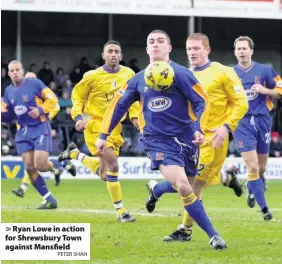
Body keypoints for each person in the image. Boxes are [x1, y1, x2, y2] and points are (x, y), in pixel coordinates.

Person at [96, 29, 227, 250]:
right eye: (151, 42)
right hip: (157, 141)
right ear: (147, 49)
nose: (155, 44)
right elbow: (118, 107)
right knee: (184, 186)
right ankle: (214, 236)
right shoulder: (137, 80)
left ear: (169, 47)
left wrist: (198, 129)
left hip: (186, 139)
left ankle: (156, 190)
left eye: (160, 41)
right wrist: (103, 135)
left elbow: (202, 101)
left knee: (188, 187)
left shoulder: (182, 73)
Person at [145, 33, 248, 242]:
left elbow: (241, 102)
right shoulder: (181, 74)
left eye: (196, 49)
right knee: (184, 182)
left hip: (214, 138)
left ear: (207, 50)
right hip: (188, 139)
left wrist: (226, 127)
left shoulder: (223, 72)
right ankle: (227, 178)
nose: (192, 52)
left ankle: (185, 229)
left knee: (193, 186)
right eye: (189, 49)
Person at [58, 40, 139, 222]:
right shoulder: (92, 76)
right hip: (96, 127)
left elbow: (133, 99)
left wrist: (135, 117)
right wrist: (77, 116)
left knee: (105, 174)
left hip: (115, 128)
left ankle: (74, 154)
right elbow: (77, 96)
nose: (113, 54)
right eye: (109, 51)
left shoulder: (129, 74)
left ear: (121, 56)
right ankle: (121, 211)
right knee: (114, 167)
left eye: (116, 51)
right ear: (103, 55)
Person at [233, 36, 282, 218]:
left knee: (261, 168)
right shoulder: (230, 74)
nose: (242, 52)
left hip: (262, 121)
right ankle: (265, 209)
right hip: (242, 122)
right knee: (252, 167)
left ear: (251, 51)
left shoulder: (264, 70)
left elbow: (279, 91)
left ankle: (251, 185)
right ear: (235, 52)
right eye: (238, 49)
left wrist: (265, 91)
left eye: (245, 48)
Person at [1, 61, 60, 209]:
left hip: (40, 126)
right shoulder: (8, 91)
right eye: (12, 71)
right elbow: (9, 117)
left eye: (17, 70)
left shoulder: (35, 84)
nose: (15, 73)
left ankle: (62, 164)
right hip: (23, 131)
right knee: (29, 166)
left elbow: (52, 99)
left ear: (22, 71)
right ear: (8, 74)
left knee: (39, 164)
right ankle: (49, 199)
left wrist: (40, 110)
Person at [11, 72, 76, 198]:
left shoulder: (42, 94)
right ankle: (60, 166)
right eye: (28, 78)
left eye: (32, 79)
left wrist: (45, 118)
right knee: (32, 162)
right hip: (24, 132)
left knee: (32, 163)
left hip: (39, 129)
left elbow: (56, 106)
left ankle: (23, 188)